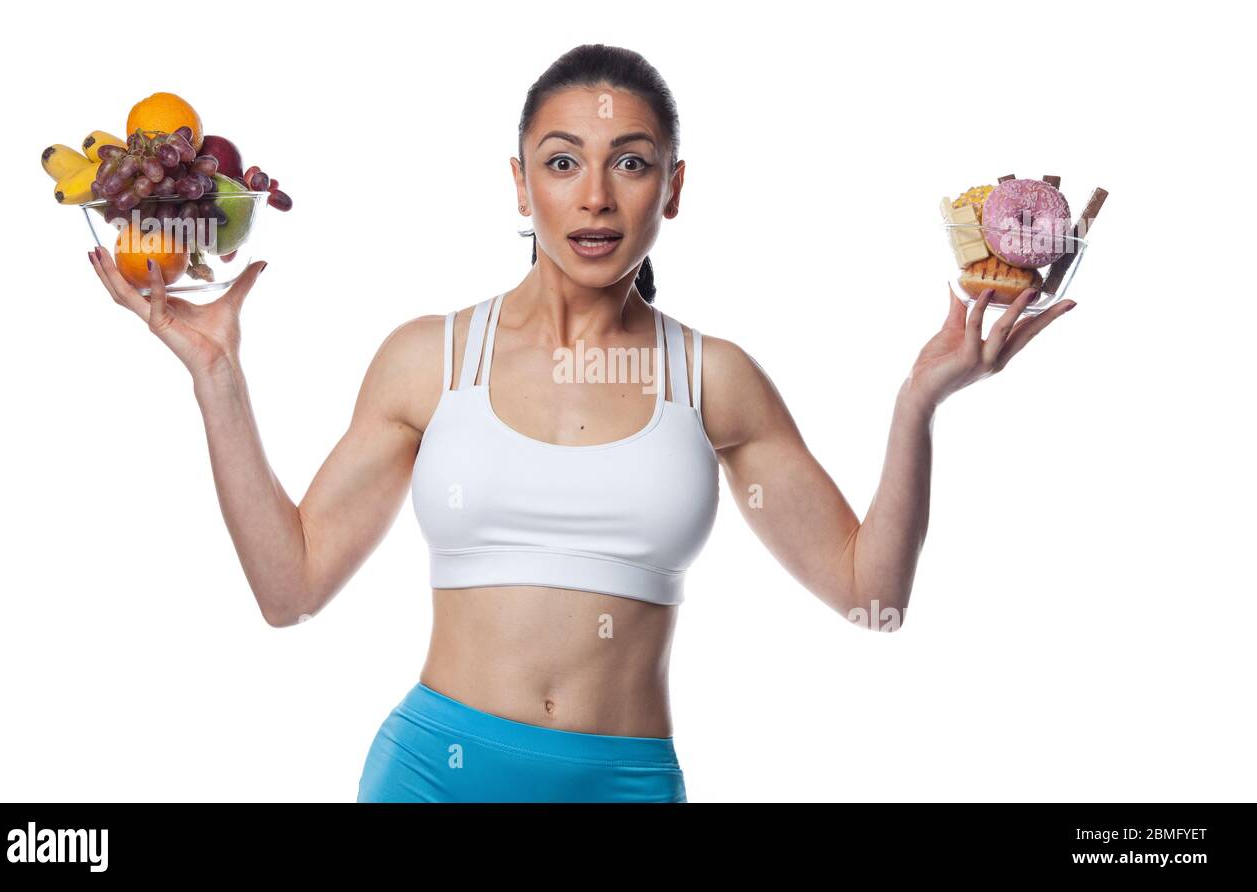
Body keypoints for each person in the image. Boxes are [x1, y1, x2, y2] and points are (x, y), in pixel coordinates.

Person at [85, 44, 1076, 802]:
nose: (595, 195)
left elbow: (874, 594)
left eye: (631, 163)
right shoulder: (429, 358)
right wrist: (215, 374)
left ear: (672, 188)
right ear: (520, 182)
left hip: (625, 781)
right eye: (562, 162)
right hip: (435, 770)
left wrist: (918, 399)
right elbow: (287, 587)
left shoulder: (714, 379)